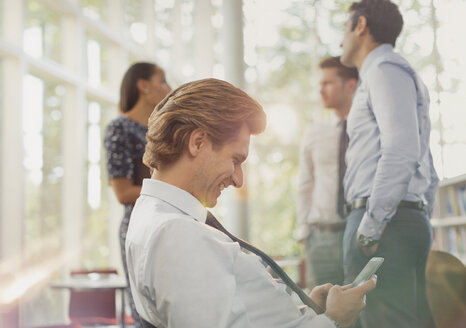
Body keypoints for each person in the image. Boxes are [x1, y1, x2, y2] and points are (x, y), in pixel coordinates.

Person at [125, 78, 376, 327]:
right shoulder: (177, 234)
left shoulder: (159, 218)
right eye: (235, 159)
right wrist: (334, 321)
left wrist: (307, 310)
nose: (238, 179)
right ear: (197, 142)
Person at [339, 0, 439, 327]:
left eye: (344, 26)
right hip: (398, 219)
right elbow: (428, 165)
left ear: (361, 25)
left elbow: (401, 148)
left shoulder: (383, 70)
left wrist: (371, 227)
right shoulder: (390, 72)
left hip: (384, 223)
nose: (341, 38)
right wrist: (419, 213)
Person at [104, 62, 171, 326]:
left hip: (170, 223)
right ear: (143, 86)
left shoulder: (165, 132)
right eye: (162, 81)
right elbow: (122, 192)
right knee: (146, 313)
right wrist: (170, 189)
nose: (169, 87)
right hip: (139, 227)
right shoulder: (119, 128)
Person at [296, 56, 358, 288]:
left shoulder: (369, 131)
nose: (321, 90)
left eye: (327, 83)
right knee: (323, 315)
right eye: (320, 84)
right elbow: (305, 184)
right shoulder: (314, 133)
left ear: (350, 84)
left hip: (359, 235)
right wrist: (304, 233)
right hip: (320, 238)